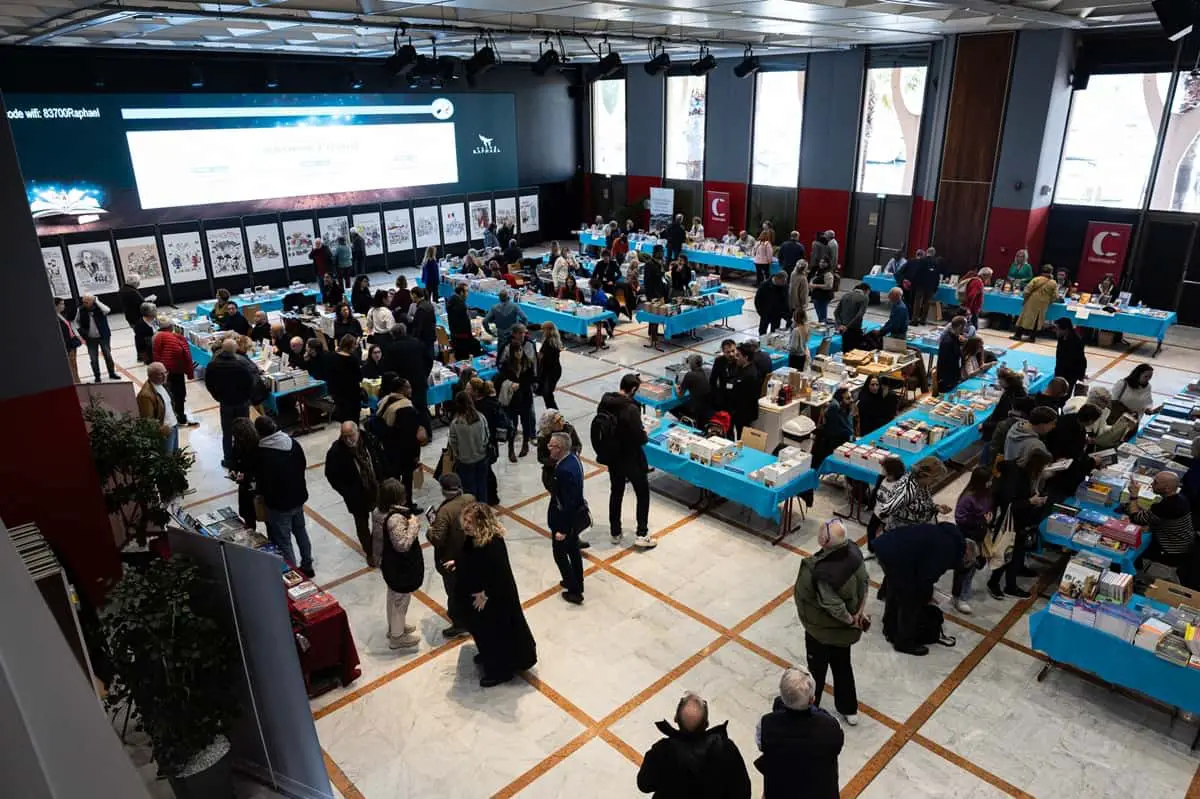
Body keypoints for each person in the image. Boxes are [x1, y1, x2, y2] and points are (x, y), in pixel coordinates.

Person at [793, 519, 869, 726]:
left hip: (822, 631)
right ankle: (849, 709)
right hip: (844, 635)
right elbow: (865, 583)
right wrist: (858, 614)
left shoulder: (823, 570)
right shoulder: (854, 553)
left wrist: (849, 620)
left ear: (825, 540)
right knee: (843, 666)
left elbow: (832, 605)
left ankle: (809, 709)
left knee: (816, 670)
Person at [454, 502, 538, 686]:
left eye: (471, 522)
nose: (466, 525)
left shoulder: (492, 545)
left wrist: (484, 595)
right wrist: (457, 563)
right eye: (465, 520)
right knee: (482, 633)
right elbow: (469, 557)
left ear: (482, 524)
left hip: (494, 602)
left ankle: (501, 671)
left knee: (495, 635)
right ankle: (488, 656)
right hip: (477, 597)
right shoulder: (473, 538)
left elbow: (499, 576)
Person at [875, 521, 969, 655]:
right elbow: (926, 576)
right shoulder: (948, 551)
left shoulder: (949, 534)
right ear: (965, 555)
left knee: (894, 588)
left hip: (886, 546)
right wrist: (927, 596)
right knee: (910, 601)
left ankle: (889, 627)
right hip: (897, 557)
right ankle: (904, 642)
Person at [636, 693, 751, 798]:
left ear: (676, 719)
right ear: (706, 723)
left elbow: (644, 784)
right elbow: (743, 792)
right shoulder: (725, 749)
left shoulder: (662, 751)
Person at [755, 668, 844, 799]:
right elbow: (837, 746)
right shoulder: (830, 725)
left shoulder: (766, 723)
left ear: (782, 697)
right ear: (812, 700)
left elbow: (761, 745)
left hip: (780, 790)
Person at [596, 374, 657, 548]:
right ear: (633, 390)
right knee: (642, 493)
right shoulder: (631, 408)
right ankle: (642, 533)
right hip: (631, 457)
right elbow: (638, 437)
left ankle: (615, 532)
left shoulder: (605, 401)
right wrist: (644, 434)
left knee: (616, 491)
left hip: (612, 456)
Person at [989, 448, 1053, 600]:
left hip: (1020, 522)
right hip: (1010, 524)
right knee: (1004, 554)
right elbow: (1009, 504)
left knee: (1015, 556)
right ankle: (994, 583)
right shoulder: (1016, 477)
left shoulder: (1023, 474)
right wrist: (1030, 501)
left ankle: (1010, 585)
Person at [255, 416, 313, 577]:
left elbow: (263, 482)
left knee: (284, 540)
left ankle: (294, 575)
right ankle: (307, 565)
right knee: (301, 531)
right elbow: (302, 464)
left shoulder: (263, 453)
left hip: (279, 505)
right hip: (298, 497)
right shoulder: (292, 443)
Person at [371, 478, 423, 650]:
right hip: (399, 565)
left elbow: (378, 539)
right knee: (401, 598)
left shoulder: (378, 512)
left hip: (387, 562)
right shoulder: (395, 519)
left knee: (393, 596)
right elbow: (402, 545)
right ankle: (397, 636)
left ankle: (394, 627)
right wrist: (414, 526)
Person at [426, 474, 474, 638]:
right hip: (469, 555)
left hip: (451, 559)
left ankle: (460, 624)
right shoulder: (470, 498)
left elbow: (437, 539)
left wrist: (430, 531)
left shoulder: (445, 512)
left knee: (453, 592)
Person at [325, 420, 381, 561]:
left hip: (377, 488)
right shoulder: (336, 452)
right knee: (362, 525)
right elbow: (331, 476)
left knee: (381, 520)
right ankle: (370, 552)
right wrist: (346, 492)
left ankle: (380, 547)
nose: (348, 439)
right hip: (356, 496)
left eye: (351, 435)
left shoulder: (369, 440)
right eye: (345, 436)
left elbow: (380, 458)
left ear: (358, 432)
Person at [1124, 471, 1195, 571]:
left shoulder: (1166, 506)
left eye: (1156, 483)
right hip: (1184, 544)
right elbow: (1154, 516)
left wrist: (1134, 496)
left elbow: (1137, 518)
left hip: (1171, 552)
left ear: (1167, 488)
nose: (1152, 484)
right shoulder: (1180, 499)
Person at [548, 431, 587, 604]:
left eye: (552, 446)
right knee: (573, 550)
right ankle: (578, 580)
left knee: (560, 555)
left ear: (561, 448)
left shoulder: (563, 470)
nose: (549, 448)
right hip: (575, 517)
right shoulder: (573, 459)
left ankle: (574, 590)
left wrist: (562, 529)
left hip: (565, 521)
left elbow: (566, 501)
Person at [374, 373, 423, 508]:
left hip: (388, 447)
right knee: (407, 479)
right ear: (402, 390)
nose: (410, 390)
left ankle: (393, 502)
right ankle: (406, 504)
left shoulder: (385, 401)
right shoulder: (406, 408)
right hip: (403, 451)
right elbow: (410, 436)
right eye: (408, 388)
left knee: (394, 477)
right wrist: (415, 455)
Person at [204, 339, 256, 463]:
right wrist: (247, 397)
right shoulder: (242, 364)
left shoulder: (213, 364)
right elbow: (251, 382)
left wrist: (217, 397)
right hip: (241, 402)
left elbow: (209, 383)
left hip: (225, 402)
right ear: (235, 350)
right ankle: (245, 457)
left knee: (227, 432)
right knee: (244, 430)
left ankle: (228, 459)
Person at [381, 323, 434, 437]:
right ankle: (428, 434)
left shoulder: (391, 349)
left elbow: (387, 369)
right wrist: (424, 374)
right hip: (419, 381)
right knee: (422, 409)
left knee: (405, 411)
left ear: (393, 335)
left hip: (401, 385)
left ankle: (411, 435)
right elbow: (429, 360)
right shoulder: (417, 343)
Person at [952, 467, 992, 615]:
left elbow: (988, 508)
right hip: (968, 537)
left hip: (980, 536)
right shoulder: (968, 497)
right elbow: (960, 518)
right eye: (988, 480)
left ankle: (965, 592)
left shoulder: (986, 494)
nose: (990, 483)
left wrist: (988, 517)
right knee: (964, 567)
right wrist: (980, 520)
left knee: (974, 567)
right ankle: (958, 597)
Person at [877, 456, 950, 531]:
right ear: (922, 474)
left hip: (921, 525)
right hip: (907, 531)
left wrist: (936, 507)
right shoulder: (907, 490)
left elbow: (923, 502)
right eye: (934, 480)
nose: (936, 482)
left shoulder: (922, 484)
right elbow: (886, 509)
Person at [498, 329, 538, 461]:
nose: (519, 353)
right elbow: (500, 379)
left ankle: (525, 444)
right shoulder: (506, 365)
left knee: (526, 422)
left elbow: (532, 379)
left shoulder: (528, 363)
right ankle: (510, 449)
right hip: (513, 400)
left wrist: (521, 385)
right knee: (512, 425)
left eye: (520, 350)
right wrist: (510, 384)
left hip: (525, 397)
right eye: (516, 351)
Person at [469, 378, 505, 506]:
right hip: (491, 443)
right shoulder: (490, 402)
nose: (467, 391)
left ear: (476, 391)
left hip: (485, 444)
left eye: (469, 389)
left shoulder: (480, 408)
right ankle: (492, 496)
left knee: (487, 471)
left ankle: (491, 496)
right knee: (487, 470)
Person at [449, 392, 491, 501]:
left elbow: (453, 442)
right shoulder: (480, 417)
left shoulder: (456, 423)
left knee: (469, 490)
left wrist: (458, 454)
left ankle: (473, 513)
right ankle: (483, 510)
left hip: (465, 460)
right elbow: (487, 436)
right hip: (481, 457)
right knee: (482, 487)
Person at [152, 327, 196, 425]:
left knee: (167, 394)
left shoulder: (156, 337)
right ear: (171, 328)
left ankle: (171, 417)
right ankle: (180, 418)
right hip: (176, 370)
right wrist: (190, 373)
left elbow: (155, 354)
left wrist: (158, 370)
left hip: (163, 371)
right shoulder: (178, 338)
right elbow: (187, 356)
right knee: (179, 394)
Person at [137, 362, 178, 453]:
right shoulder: (145, 396)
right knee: (167, 460)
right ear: (150, 376)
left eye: (165, 372)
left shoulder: (162, 384)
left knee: (175, 456)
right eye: (160, 374)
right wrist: (162, 430)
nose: (164, 376)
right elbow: (148, 421)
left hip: (173, 425)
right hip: (165, 432)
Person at [866, 456, 905, 553]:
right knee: (871, 529)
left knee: (887, 535)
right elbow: (876, 490)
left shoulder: (898, 486)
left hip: (888, 516)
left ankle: (885, 552)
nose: (882, 470)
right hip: (877, 511)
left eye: (884, 468)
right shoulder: (883, 478)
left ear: (891, 473)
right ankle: (872, 549)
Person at [809, 387, 855, 470]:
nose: (851, 400)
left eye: (851, 397)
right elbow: (836, 433)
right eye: (848, 398)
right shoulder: (835, 410)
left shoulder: (844, 410)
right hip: (831, 446)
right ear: (840, 401)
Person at [75, 294, 118, 382]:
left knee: (108, 355)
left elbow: (107, 310)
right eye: (83, 302)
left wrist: (97, 301)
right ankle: (97, 376)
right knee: (93, 358)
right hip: (90, 339)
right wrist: (81, 331)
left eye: (86, 302)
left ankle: (112, 373)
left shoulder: (100, 308)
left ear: (92, 301)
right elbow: (76, 321)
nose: (84, 304)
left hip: (103, 336)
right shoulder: (80, 310)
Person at [536, 411, 583, 490]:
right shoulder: (544, 437)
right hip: (553, 475)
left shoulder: (569, 429)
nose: (562, 422)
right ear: (550, 424)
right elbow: (541, 458)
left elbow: (577, 445)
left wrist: (573, 456)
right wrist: (556, 461)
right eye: (557, 421)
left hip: (572, 470)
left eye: (561, 418)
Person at [1012, 265, 1058, 341]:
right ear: (1051, 272)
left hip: (1032, 301)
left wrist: (1025, 298)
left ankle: (1018, 335)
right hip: (1043, 303)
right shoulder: (1053, 283)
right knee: (1037, 319)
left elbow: (1027, 291)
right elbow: (1055, 296)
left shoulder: (1036, 279)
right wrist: (1050, 301)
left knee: (1024, 318)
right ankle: (1032, 337)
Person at [727, 343, 764, 437]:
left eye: (738, 355)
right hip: (738, 410)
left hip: (744, 412)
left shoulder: (750, 374)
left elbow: (745, 395)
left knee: (741, 435)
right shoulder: (741, 368)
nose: (736, 357)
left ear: (746, 357)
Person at [482, 289, 529, 354]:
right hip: (512, 334)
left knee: (501, 355)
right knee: (513, 353)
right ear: (508, 296)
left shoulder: (495, 307)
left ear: (499, 298)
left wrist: (489, 331)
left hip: (501, 335)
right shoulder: (514, 306)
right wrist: (523, 331)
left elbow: (485, 321)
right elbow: (525, 318)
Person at [674, 354, 713, 427]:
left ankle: (686, 422)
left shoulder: (690, 375)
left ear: (691, 364)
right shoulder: (707, 371)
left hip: (698, 409)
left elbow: (680, 395)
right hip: (709, 406)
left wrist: (675, 387)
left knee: (673, 406)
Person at [643, 245, 669, 345]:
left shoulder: (660, 263)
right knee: (653, 314)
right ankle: (652, 334)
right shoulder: (649, 264)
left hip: (661, 292)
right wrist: (650, 296)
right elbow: (647, 281)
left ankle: (654, 331)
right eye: (661, 251)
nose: (663, 253)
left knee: (658, 313)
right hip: (653, 294)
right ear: (657, 252)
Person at [935, 316, 967, 394]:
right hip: (947, 379)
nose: (965, 329)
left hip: (952, 376)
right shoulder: (948, 341)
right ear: (960, 327)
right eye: (964, 326)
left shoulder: (955, 338)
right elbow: (947, 362)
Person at [834, 282, 869, 351]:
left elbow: (836, 312)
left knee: (845, 350)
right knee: (854, 352)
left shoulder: (845, 295)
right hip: (854, 328)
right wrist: (847, 326)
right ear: (866, 290)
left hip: (843, 328)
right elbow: (859, 315)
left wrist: (840, 325)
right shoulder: (864, 298)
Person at [55, 298, 82, 383]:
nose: (64, 306)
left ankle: (76, 380)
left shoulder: (62, 315)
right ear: (56, 305)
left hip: (72, 342)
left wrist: (77, 337)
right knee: (71, 365)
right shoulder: (55, 318)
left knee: (74, 364)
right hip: (67, 345)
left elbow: (70, 327)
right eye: (61, 304)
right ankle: (76, 381)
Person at [909, 251, 940, 326]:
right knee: (927, 303)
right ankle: (923, 320)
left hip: (921, 285)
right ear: (934, 253)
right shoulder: (936, 262)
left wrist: (913, 284)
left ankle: (915, 320)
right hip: (930, 286)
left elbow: (917, 273)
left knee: (917, 302)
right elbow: (937, 276)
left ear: (927, 252)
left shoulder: (922, 260)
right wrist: (935, 286)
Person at [538, 322, 563, 410]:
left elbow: (542, 356)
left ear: (549, 330)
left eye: (544, 330)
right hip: (554, 370)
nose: (542, 332)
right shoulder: (554, 340)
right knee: (547, 394)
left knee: (547, 394)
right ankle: (552, 411)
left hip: (550, 372)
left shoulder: (549, 342)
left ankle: (554, 412)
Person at [408, 286, 437, 358]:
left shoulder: (420, 308)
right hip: (430, 336)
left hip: (424, 339)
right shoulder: (428, 304)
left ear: (414, 295)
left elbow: (418, 327)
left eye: (411, 295)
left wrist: (415, 339)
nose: (410, 297)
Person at [810, 257, 836, 324]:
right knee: (819, 314)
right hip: (816, 296)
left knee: (822, 316)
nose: (821, 264)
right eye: (821, 262)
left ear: (828, 264)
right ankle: (821, 324)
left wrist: (815, 285)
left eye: (824, 262)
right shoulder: (818, 271)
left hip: (823, 297)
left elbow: (829, 286)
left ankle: (824, 327)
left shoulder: (828, 273)